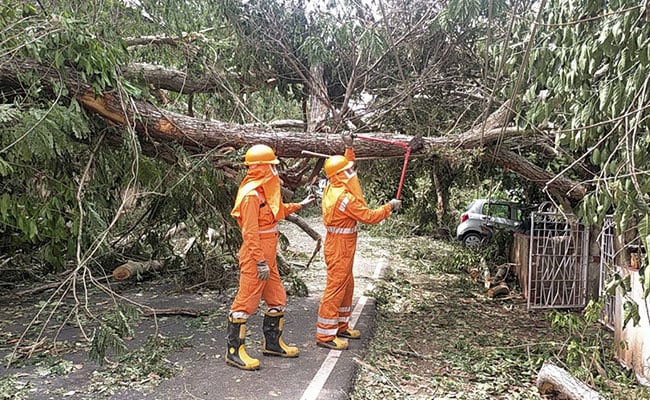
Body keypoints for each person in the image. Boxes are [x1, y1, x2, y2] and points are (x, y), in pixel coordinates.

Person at [227, 144, 315, 370]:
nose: (275, 171)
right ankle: (234, 352)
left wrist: (301, 205)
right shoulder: (250, 196)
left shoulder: (264, 191)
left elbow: (277, 211)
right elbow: (250, 233)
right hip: (256, 258)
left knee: (277, 299)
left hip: (269, 258)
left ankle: (273, 344)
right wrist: (259, 261)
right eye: (272, 167)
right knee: (245, 303)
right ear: (261, 168)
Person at [316, 133, 401, 350]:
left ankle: (341, 325)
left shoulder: (333, 185)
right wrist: (389, 207)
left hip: (342, 243)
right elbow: (370, 217)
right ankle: (325, 335)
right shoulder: (344, 199)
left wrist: (349, 148)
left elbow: (347, 165)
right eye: (348, 171)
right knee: (335, 288)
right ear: (341, 175)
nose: (352, 172)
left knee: (347, 285)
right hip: (340, 246)